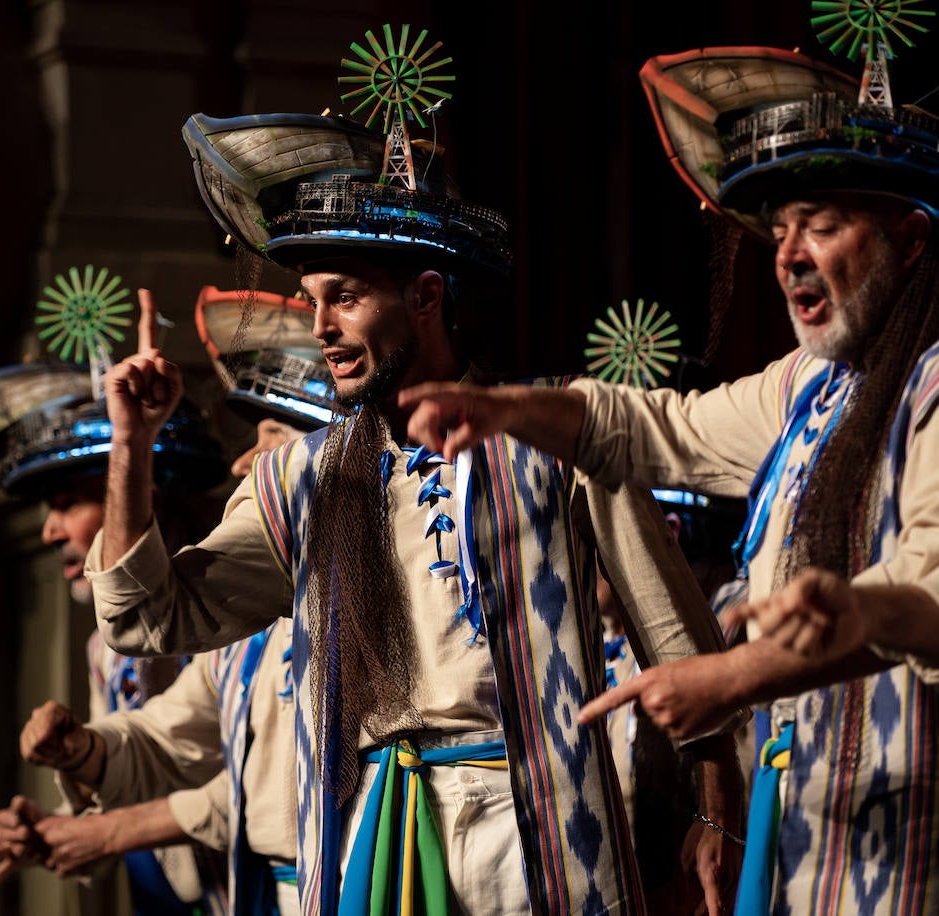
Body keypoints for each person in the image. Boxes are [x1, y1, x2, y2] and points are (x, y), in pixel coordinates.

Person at [87, 104, 747, 915]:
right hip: (374, 835)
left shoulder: (553, 436)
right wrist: (131, 446)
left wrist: (720, 810)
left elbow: (677, 641)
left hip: (537, 834)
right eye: (312, 299)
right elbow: (143, 618)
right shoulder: (300, 478)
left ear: (427, 294)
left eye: (348, 298)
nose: (321, 328)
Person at [397, 45, 939, 914]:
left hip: (908, 843)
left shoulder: (933, 386)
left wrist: (764, 662)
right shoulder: (810, 388)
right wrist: (501, 409)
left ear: (911, 241)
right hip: (809, 829)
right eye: (781, 228)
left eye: (822, 226)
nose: (788, 254)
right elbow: (660, 430)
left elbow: (933, 594)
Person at [0, 285, 331, 915]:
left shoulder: (350, 608)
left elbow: (277, 786)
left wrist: (105, 829)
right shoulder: (217, 641)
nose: (244, 464)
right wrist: (78, 769)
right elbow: (164, 744)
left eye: (272, 437)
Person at [0, 294, 230, 915]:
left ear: (145, 491)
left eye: (66, 502)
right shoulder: (103, 652)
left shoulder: (236, 623)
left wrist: (100, 829)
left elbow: (265, 788)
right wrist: (57, 821)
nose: (49, 530)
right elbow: (132, 773)